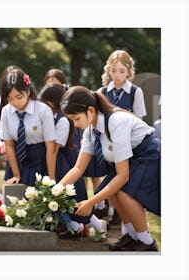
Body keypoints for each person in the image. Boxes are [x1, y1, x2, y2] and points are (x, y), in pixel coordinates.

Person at [59, 86, 160, 251]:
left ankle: (147, 243)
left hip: (149, 156)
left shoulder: (116, 122)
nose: (75, 124)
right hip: (131, 159)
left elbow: (123, 176)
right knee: (112, 192)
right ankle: (132, 236)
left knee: (125, 193)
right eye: (71, 119)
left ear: (90, 110)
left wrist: (91, 202)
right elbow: (78, 168)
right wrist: (55, 189)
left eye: (76, 118)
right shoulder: (91, 131)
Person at [39, 83, 107, 239]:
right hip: (58, 163)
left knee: (74, 201)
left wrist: (53, 178)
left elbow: (55, 148)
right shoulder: (53, 118)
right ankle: (74, 228)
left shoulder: (63, 121)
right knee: (65, 203)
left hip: (63, 164)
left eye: (47, 104)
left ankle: (98, 226)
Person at [96, 49, 148, 225]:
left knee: (126, 183)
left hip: (130, 145)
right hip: (107, 144)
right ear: (108, 70)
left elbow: (139, 119)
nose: (117, 75)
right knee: (111, 180)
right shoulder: (101, 91)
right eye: (113, 71)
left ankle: (129, 220)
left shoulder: (135, 92)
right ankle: (114, 211)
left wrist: (123, 113)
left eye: (121, 71)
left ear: (129, 71)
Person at [0, 68, 56, 185]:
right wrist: (16, 174)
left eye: (19, 97)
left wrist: (51, 178)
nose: (15, 102)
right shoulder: (6, 111)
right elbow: (9, 145)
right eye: (10, 99)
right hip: (16, 161)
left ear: (28, 91)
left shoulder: (43, 110)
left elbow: (51, 147)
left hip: (40, 160)